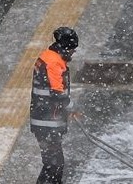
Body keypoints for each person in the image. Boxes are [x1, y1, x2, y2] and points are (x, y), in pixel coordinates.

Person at [30, 26, 79, 184]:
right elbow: (57, 93)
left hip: (45, 121)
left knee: (53, 164)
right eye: (72, 49)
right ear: (64, 48)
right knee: (54, 165)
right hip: (47, 123)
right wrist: (70, 107)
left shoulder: (49, 57)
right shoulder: (53, 63)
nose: (73, 52)